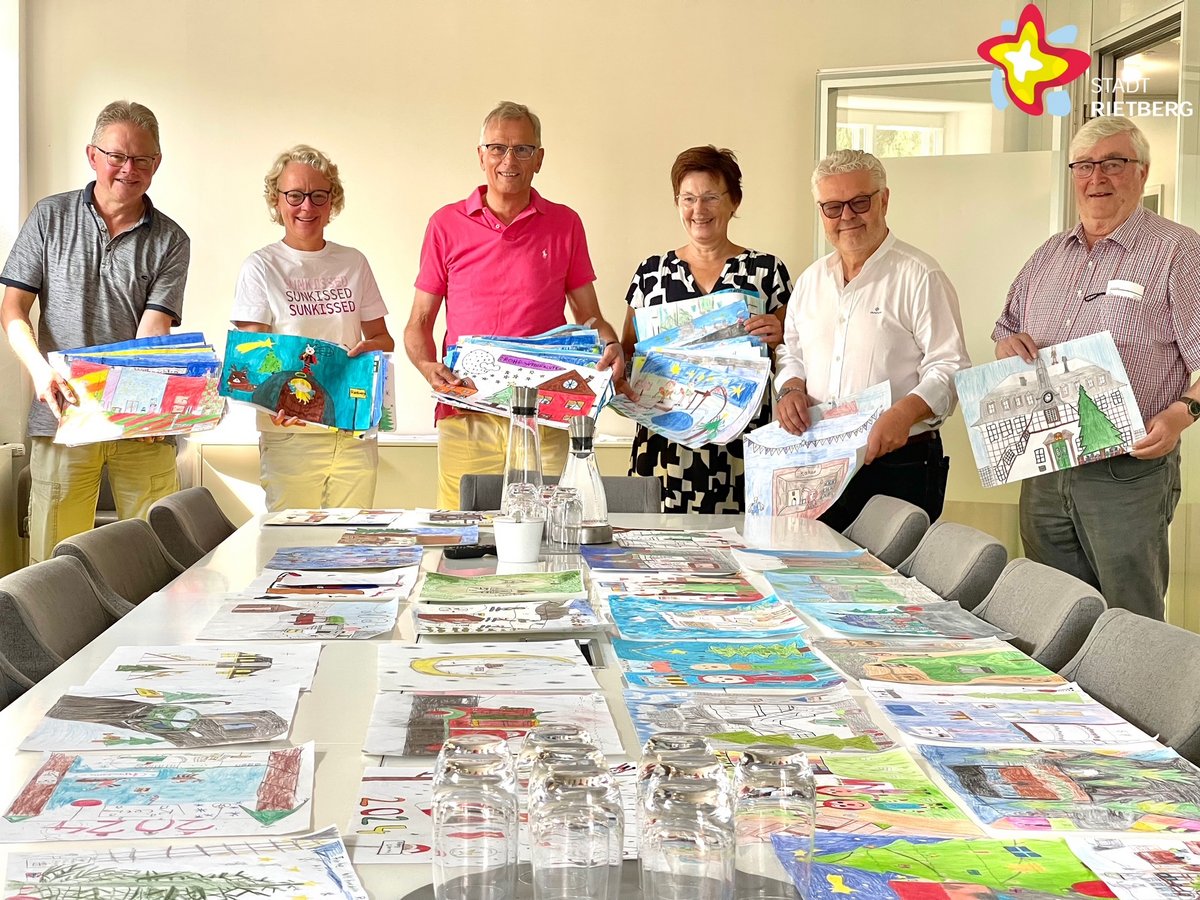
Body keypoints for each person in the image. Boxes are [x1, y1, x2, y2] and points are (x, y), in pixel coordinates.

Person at [993, 115, 1200, 621]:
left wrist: (1179, 415)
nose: (1096, 177)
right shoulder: (1048, 255)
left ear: (1143, 171)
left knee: (1129, 616)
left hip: (1126, 472)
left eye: (1113, 163)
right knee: (1051, 612)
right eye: (1084, 165)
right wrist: (1008, 345)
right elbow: (1005, 329)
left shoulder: (1179, 251)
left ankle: (1138, 703)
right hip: (1044, 465)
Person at [404, 101, 628, 509]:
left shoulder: (565, 223)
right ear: (480, 156)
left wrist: (610, 345)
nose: (509, 160)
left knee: (550, 535)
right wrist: (426, 367)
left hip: (546, 414)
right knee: (464, 536)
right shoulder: (445, 224)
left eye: (523, 149)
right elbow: (418, 323)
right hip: (467, 412)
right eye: (497, 148)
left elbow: (589, 317)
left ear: (539, 159)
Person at [0, 100, 189, 562]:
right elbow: (12, 308)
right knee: (53, 564)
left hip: (141, 427)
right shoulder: (49, 217)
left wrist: (157, 408)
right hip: (63, 416)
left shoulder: (171, 240)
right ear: (92, 156)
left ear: (156, 163)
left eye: (142, 159)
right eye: (117, 156)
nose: (129, 169)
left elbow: (154, 329)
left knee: (156, 557)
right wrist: (40, 372)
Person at [775, 149, 969, 531]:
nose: (846, 216)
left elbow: (951, 366)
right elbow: (791, 351)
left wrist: (904, 412)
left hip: (900, 463)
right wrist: (790, 388)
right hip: (818, 462)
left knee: (890, 584)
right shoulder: (811, 282)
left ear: (884, 200)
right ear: (821, 212)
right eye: (833, 207)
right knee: (816, 577)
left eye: (859, 202)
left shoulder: (920, 275)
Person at [621, 146, 792, 512]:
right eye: (688, 198)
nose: (698, 210)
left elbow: (794, 360)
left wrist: (779, 340)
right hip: (664, 447)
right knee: (656, 553)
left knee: (741, 554)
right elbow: (627, 356)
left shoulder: (767, 271)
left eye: (711, 197)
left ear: (735, 202)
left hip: (742, 447)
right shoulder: (651, 274)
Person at [231, 145, 394, 513]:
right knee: (291, 548)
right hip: (291, 434)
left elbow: (383, 339)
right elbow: (253, 354)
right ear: (277, 200)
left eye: (319, 195)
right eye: (295, 195)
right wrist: (270, 398)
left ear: (332, 201)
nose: (307, 206)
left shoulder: (353, 262)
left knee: (350, 542)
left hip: (352, 430)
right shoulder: (260, 267)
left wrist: (367, 354)